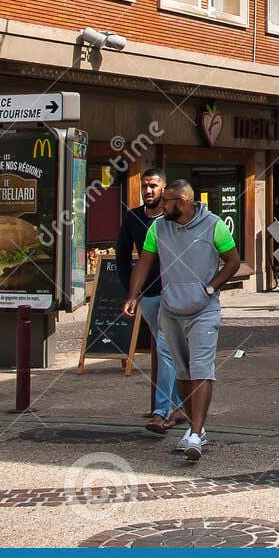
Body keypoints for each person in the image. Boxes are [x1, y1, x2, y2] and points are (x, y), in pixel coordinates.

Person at [124, 179, 241, 462]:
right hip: (171, 308)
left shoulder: (214, 225)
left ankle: (196, 433)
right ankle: (194, 427)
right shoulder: (158, 227)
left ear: (184, 201)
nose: (161, 206)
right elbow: (145, 261)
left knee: (201, 369)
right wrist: (133, 295)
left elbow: (233, 261)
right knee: (183, 373)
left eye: (167, 201)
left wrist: (210, 288)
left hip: (204, 310)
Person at [115, 169, 183, 434]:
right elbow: (121, 253)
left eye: (153, 186)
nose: (148, 191)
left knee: (166, 348)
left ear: (164, 188)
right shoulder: (133, 217)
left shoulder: (173, 218)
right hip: (148, 295)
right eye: (145, 186)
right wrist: (130, 290)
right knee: (172, 351)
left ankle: (160, 411)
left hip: (173, 293)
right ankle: (180, 405)